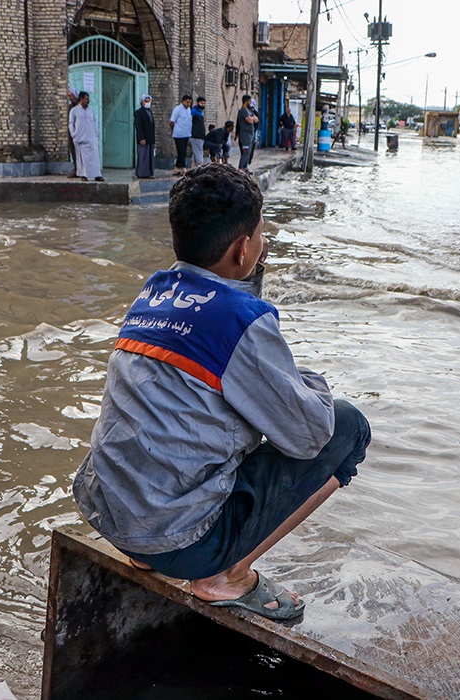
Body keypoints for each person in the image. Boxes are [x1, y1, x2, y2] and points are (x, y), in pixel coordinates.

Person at [73, 163, 371, 622]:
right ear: (242, 248)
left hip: (106, 513)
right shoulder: (239, 323)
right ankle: (225, 576)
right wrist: (303, 379)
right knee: (348, 427)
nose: (264, 243)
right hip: (178, 543)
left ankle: (149, 553)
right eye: (261, 235)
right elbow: (309, 434)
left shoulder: (153, 294)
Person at [68, 91, 104, 181]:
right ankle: (84, 175)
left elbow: (94, 122)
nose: (88, 100)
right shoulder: (74, 111)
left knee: (95, 157)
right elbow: (71, 124)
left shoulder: (91, 110)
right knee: (82, 159)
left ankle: (97, 175)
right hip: (80, 138)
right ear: (81, 99)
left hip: (91, 138)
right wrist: (74, 134)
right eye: (86, 99)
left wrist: (96, 134)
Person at [170, 95, 193, 176]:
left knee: (183, 152)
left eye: (190, 102)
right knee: (181, 152)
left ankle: (177, 169)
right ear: (183, 101)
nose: (189, 104)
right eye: (187, 102)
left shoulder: (189, 110)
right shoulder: (177, 109)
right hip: (178, 134)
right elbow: (172, 122)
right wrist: (173, 130)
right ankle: (183, 168)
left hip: (186, 134)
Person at [134, 94, 155, 179]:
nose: (147, 103)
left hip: (150, 138)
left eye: (148, 101)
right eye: (145, 101)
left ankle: (149, 172)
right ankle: (141, 173)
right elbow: (138, 126)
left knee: (149, 156)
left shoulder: (150, 112)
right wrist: (141, 138)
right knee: (143, 156)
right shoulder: (139, 112)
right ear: (142, 102)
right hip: (143, 138)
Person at [236, 94, 258, 172]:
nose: (250, 103)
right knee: (245, 151)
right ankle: (240, 168)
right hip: (245, 134)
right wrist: (251, 119)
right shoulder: (243, 110)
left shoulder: (249, 111)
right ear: (246, 101)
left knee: (249, 152)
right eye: (249, 101)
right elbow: (250, 120)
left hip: (251, 134)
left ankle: (245, 168)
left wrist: (251, 118)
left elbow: (256, 119)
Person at [66, 85, 80, 178]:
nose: (69, 98)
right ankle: (76, 169)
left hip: (81, 133)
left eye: (71, 96)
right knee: (74, 152)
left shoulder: (80, 106)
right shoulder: (70, 107)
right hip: (72, 134)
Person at [190, 96, 207, 166]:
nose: (202, 105)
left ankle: (192, 169)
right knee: (199, 153)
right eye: (201, 103)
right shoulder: (194, 111)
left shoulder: (201, 112)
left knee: (195, 154)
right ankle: (201, 168)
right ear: (197, 103)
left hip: (200, 135)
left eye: (204, 103)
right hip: (196, 135)